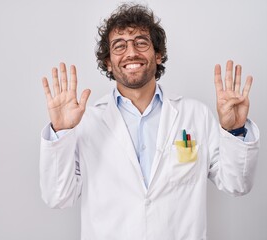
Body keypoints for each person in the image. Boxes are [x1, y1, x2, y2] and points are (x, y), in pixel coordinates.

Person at [39, 3, 260, 240]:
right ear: (108, 63)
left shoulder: (196, 115)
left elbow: (237, 184)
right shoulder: (86, 122)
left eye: (141, 42)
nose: (131, 52)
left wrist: (235, 129)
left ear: (158, 54)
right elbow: (58, 196)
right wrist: (61, 132)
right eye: (119, 45)